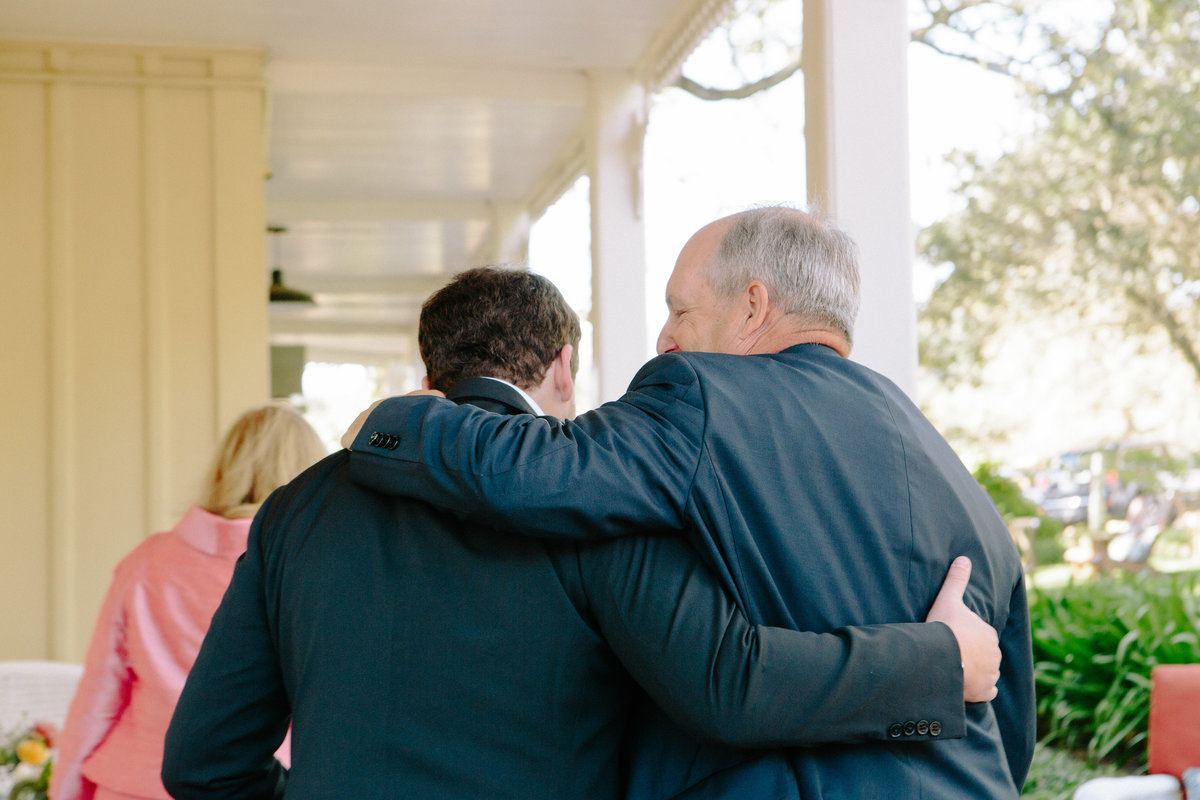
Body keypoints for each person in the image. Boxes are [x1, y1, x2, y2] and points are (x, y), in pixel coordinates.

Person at [164, 267, 996, 800]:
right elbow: (731, 685)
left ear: (428, 380)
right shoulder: (598, 510)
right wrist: (935, 662)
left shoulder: (296, 512)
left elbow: (201, 763)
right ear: (564, 367)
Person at [341, 208, 1036, 798]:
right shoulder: (961, 485)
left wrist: (394, 422)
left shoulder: (700, 396)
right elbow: (1010, 730)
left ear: (754, 307)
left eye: (680, 310)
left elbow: (534, 473)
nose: (663, 339)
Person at [51, 403, 327, 800]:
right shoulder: (306, 570)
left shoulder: (147, 560)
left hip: (129, 784)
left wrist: (64, 791)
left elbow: (98, 697)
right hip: (250, 785)